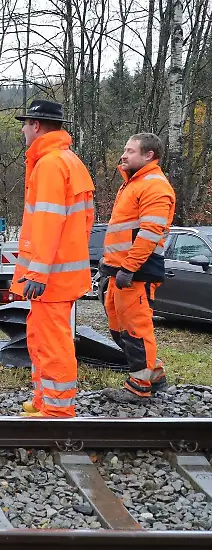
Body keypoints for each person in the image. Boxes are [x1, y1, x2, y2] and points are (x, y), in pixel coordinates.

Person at [11, 100, 95, 418]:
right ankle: (45, 401)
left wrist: (38, 273)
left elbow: (47, 224)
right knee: (44, 337)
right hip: (62, 273)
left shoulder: (49, 164)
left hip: (51, 276)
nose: (22, 130)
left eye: (25, 124)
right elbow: (81, 224)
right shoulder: (69, 161)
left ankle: (57, 411)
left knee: (51, 343)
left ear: (36, 126)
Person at [100, 133, 176, 404]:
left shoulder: (154, 186)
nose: (123, 155)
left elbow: (150, 232)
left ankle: (138, 388)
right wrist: (109, 265)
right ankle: (154, 376)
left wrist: (129, 268)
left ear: (149, 156)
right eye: (124, 149)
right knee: (119, 328)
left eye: (130, 151)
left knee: (135, 330)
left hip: (136, 274)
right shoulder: (133, 184)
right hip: (121, 271)